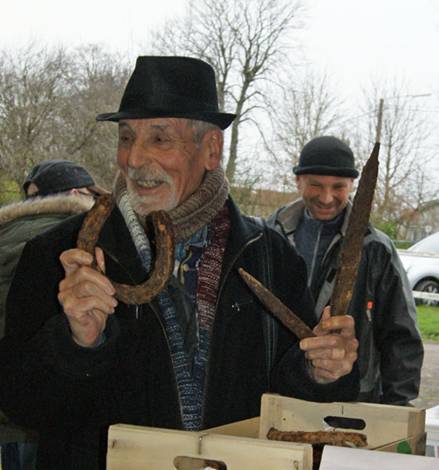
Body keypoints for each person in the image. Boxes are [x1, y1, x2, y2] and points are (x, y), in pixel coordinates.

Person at [0, 58, 359, 470]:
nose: (134, 158)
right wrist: (75, 343)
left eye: (160, 139)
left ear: (211, 150)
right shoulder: (59, 255)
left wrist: (322, 371)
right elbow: (22, 406)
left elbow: (294, 407)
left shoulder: (270, 257)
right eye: (126, 137)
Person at [268, 135, 423, 405]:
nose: (326, 197)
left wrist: (398, 408)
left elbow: (401, 335)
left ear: (351, 185)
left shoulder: (375, 249)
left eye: (338, 187)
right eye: (316, 185)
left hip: (350, 400)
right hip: (276, 394)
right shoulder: (270, 237)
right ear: (298, 181)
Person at [0, 159, 107, 469]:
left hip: (8, 410)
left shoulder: (6, 235)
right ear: (76, 194)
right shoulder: (73, 242)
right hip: (58, 407)